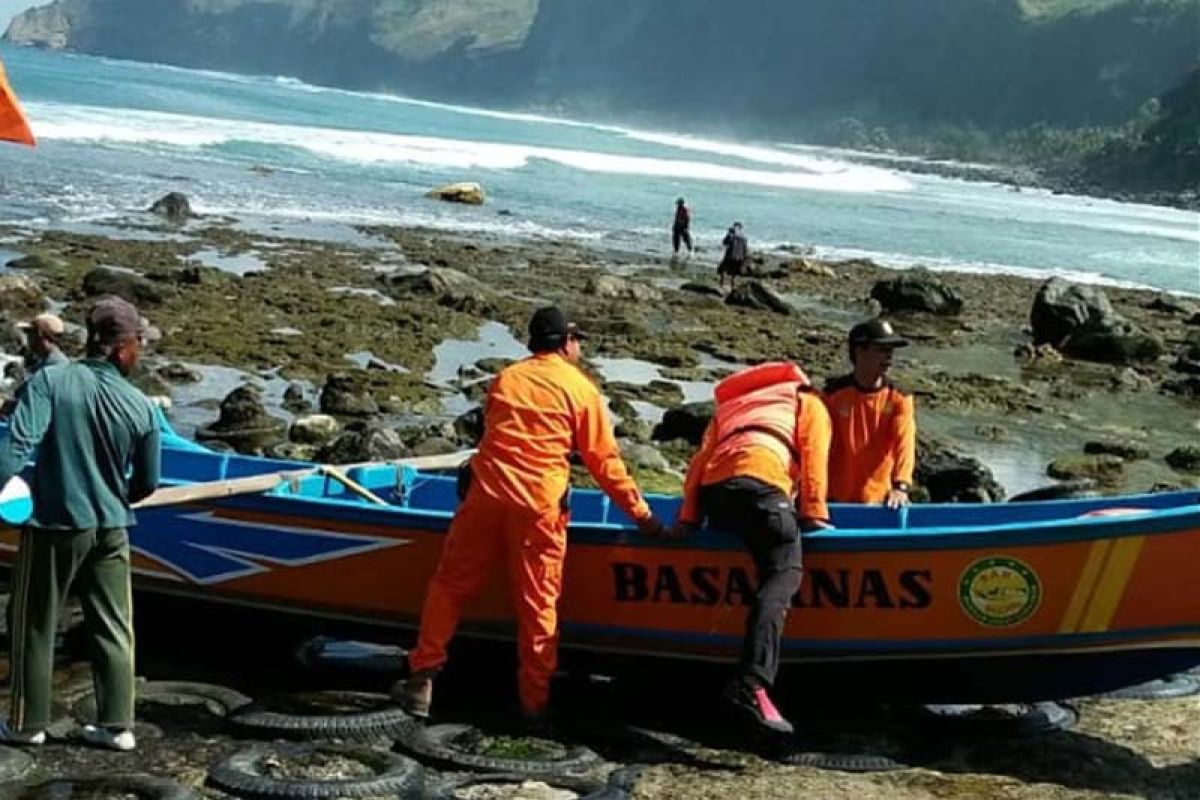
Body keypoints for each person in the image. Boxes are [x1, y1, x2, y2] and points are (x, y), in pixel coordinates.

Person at [397, 306, 666, 725]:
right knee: (539, 604)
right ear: (565, 343)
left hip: (486, 497)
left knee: (449, 585)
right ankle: (533, 704)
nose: (580, 346)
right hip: (539, 506)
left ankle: (423, 676)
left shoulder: (507, 379)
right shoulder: (580, 391)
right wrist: (643, 516)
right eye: (577, 338)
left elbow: (492, 435)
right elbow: (604, 463)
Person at [0, 296, 161, 751]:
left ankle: (26, 723)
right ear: (117, 347)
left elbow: (14, 451)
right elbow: (148, 482)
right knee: (113, 625)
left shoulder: (51, 381)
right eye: (139, 343)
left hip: (56, 523)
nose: (142, 351)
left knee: (33, 621)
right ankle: (117, 726)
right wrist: (114, 498)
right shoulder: (141, 405)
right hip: (112, 527)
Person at [671, 361, 831, 735]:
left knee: (756, 535)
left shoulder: (733, 406)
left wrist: (688, 519)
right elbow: (814, 458)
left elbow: (698, 464)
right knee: (783, 571)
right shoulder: (807, 401)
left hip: (717, 493)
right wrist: (813, 515)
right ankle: (753, 681)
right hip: (761, 483)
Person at [823, 319, 916, 509]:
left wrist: (901, 486)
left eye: (891, 350)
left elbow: (905, 443)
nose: (888, 357)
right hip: (833, 501)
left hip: (881, 503)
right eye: (881, 349)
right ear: (859, 351)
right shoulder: (831, 396)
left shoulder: (899, 398)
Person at [718, 222, 748, 288]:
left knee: (722, 269)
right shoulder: (744, 238)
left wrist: (728, 234)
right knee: (734, 273)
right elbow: (745, 250)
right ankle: (732, 286)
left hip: (730, 256)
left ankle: (722, 284)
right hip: (739, 258)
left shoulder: (731, 235)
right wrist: (744, 260)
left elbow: (724, 242)